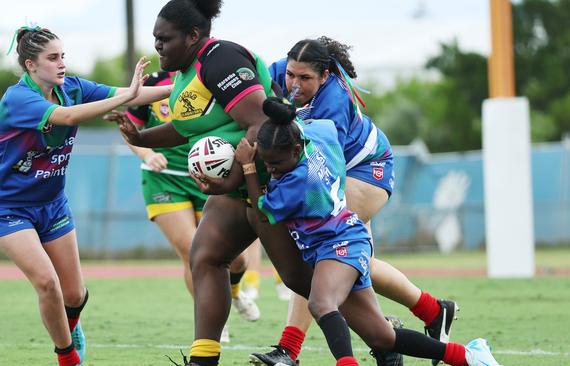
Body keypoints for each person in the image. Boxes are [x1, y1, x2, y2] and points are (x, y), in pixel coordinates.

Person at [113, 1, 322, 365]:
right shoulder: (185, 72)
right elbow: (184, 128)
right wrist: (142, 138)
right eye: (155, 39)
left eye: (165, 38)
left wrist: (232, 181)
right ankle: (203, 359)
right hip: (241, 186)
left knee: (301, 279)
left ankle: (384, 334)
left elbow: (260, 124)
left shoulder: (220, 59)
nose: (158, 45)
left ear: (193, 36)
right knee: (206, 257)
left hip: (271, 183)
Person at [235, 97, 502, 366]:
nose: (270, 169)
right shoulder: (319, 135)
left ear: (295, 150)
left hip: (338, 244)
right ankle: (468, 355)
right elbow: (324, 124)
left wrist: (248, 167)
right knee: (381, 336)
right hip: (346, 238)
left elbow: (261, 213)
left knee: (321, 303)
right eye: (266, 164)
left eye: (275, 164)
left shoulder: (300, 180)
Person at [251, 37, 458, 366]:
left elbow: (319, 159)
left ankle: (291, 349)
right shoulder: (281, 71)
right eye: (291, 75)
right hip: (334, 168)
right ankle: (432, 311)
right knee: (351, 262)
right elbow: (246, 82)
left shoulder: (334, 98)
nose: (293, 83)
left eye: (305, 79)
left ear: (323, 76)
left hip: (364, 167)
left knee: (329, 254)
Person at [0, 26, 169, 366]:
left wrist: (189, 88)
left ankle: (71, 325)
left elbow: (133, 93)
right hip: (6, 206)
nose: (61, 64)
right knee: (47, 283)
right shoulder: (18, 98)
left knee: (75, 294)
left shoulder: (74, 88)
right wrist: (125, 97)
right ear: (30, 65)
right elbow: (66, 117)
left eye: (62, 56)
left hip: (51, 203)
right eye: (52, 58)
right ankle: (68, 358)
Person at [103, 70, 261, 343]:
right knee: (194, 251)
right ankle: (212, 319)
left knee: (237, 259)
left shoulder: (216, 77)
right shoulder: (154, 83)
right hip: (164, 182)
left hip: (210, 179)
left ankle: (234, 292)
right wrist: (147, 153)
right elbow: (131, 130)